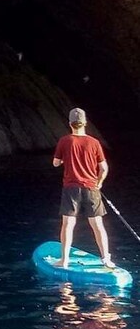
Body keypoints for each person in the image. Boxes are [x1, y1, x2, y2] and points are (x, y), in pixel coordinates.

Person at [52, 107, 113, 269]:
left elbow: (55, 163)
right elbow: (104, 168)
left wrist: (65, 159)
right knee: (97, 225)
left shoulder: (64, 141)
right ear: (85, 123)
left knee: (68, 224)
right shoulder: (94, 142)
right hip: (92, 188)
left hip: (71, 188)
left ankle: (64, 261)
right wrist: (99, 183)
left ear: (70, 123)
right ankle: (106, 259)